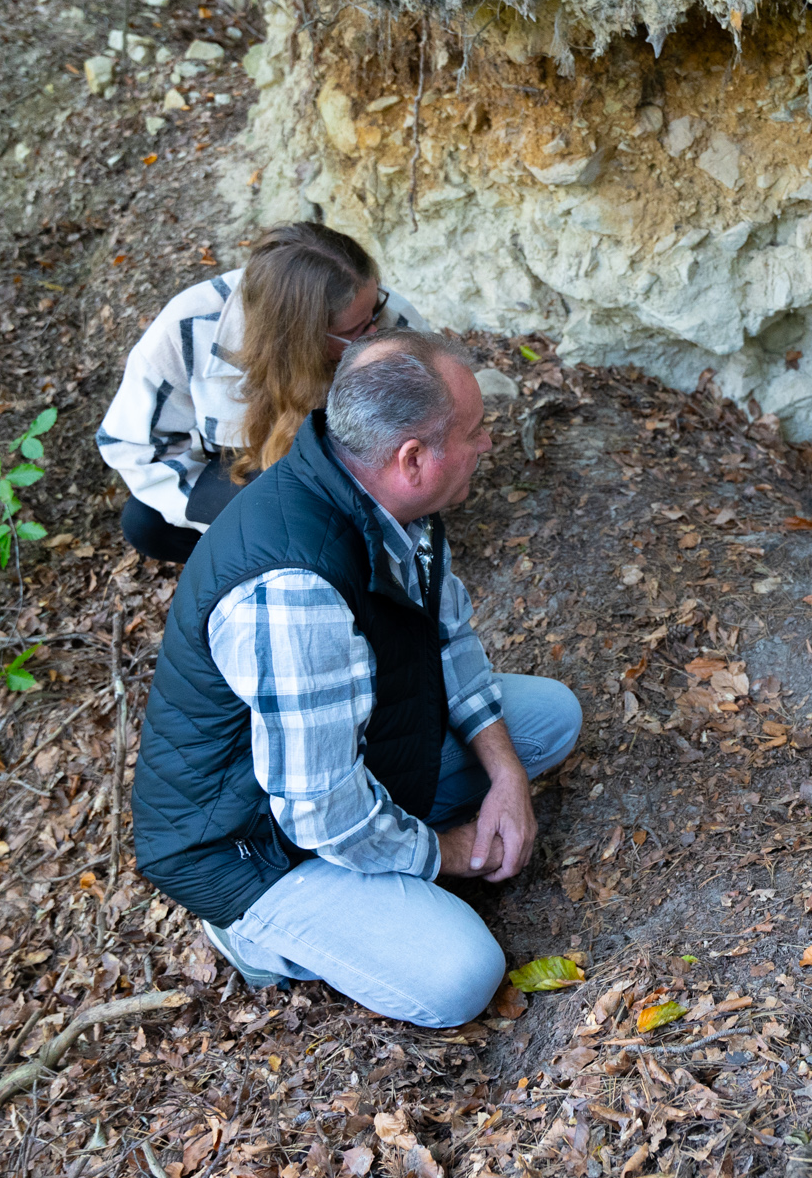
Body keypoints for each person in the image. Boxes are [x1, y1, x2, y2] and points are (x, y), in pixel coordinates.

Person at [132, 328, 579, 1028]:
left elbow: (446, 638)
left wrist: (507, 777)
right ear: (412, 458)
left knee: (547, 718)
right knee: (460, 976)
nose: (489, 443)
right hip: (252, 844)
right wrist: (452, 852)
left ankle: (393, 850)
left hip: (346, 756)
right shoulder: (293, 591)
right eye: (475, 430)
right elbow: (320, 812)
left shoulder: (387, 497)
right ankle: (256, 937)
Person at [98, 220, 424, 564]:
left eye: (375, 309)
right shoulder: (186, 329)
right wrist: (238, 524)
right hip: (243, 476)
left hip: (347, 475)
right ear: (297, 335)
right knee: (144, 523)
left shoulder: (394, 321)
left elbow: (429, 428)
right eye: (357, 329)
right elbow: (133, 446)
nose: (375, 333)